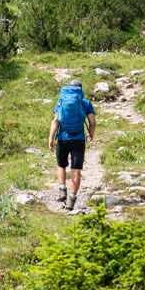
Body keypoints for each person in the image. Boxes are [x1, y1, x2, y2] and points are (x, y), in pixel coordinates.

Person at [47, 80, 96, 211]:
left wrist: (51, 138)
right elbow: (92, 121)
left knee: (61, 165)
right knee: (76, 170)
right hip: (78, 140)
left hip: (63, 139)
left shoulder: (61, 101)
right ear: (80, 90)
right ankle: (71, 200)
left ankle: (62, 189)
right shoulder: (85, 102)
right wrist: (91, 134)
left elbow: (56, 120)